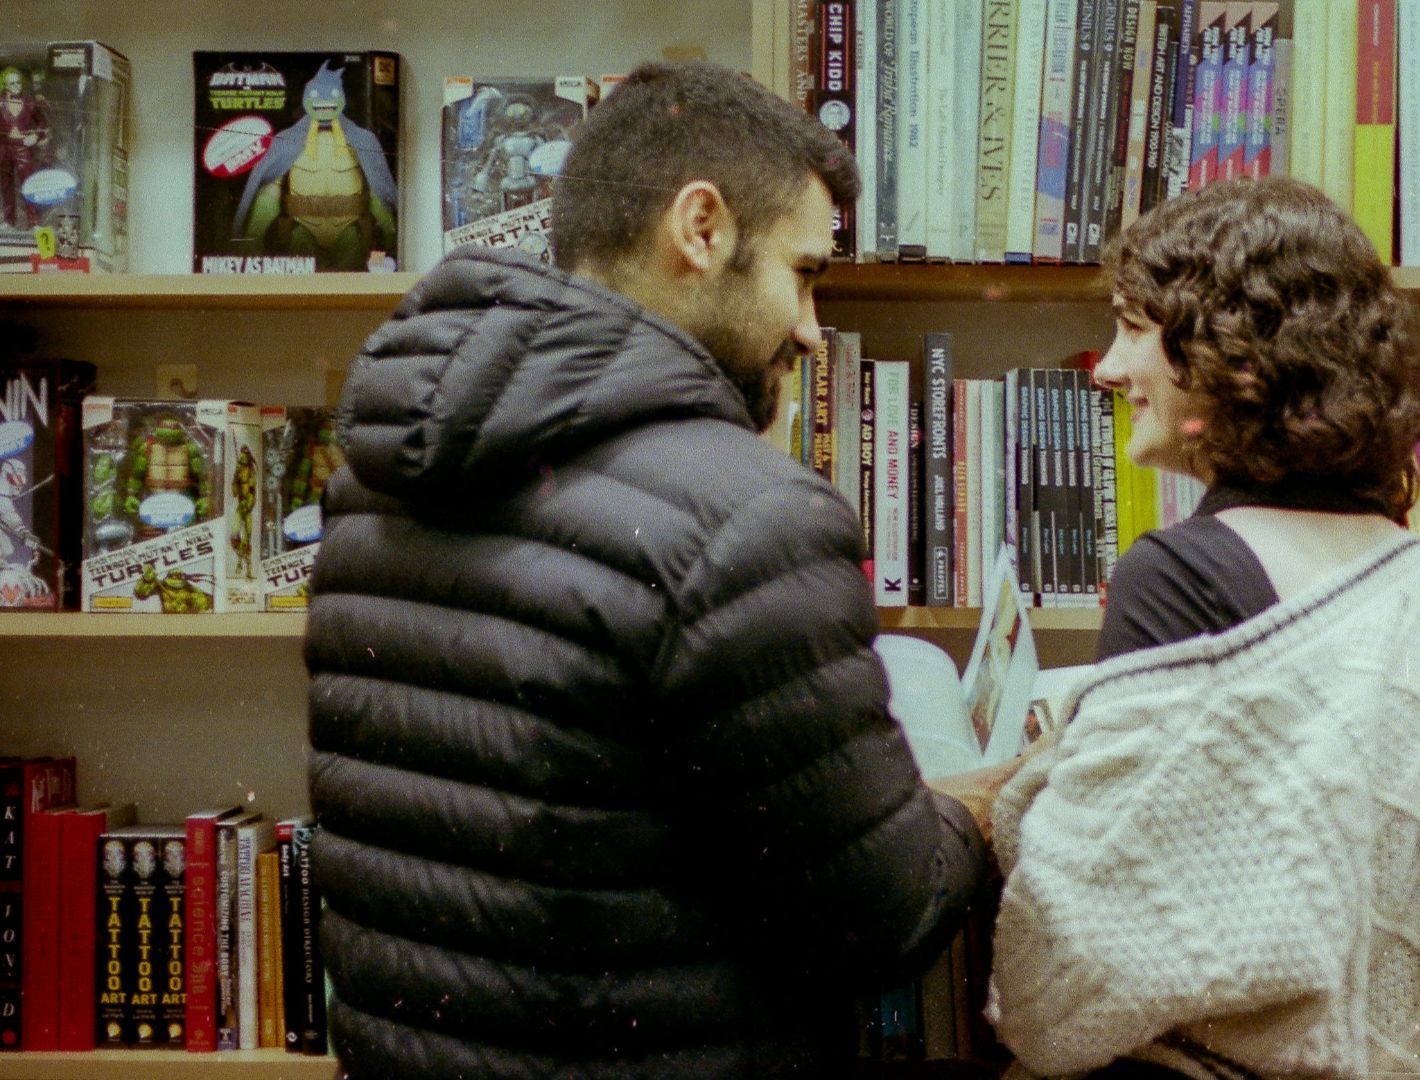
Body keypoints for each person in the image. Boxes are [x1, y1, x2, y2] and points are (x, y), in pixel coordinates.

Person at [304, 61, 989, 1079]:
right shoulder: (747, 517)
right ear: (701, 229)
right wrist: (977, 807)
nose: (809, 327)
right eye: (803, 273)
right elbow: (882, 918)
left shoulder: (372, 482)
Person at [985, 176, 1420, 1080]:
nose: (1105, 368)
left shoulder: (1180, 573)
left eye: (1132, 328)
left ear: (1236, 358)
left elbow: (1081, 943)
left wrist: (1028, 791)